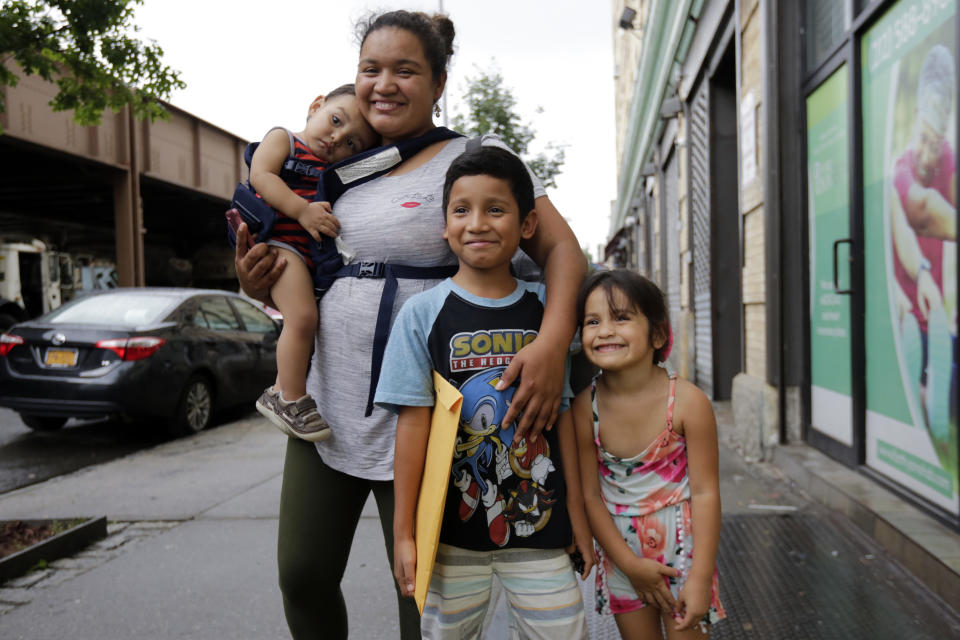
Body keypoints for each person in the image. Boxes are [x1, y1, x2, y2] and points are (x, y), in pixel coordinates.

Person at [233, 10, 586, 639]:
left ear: (439, 81)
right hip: (330, 401)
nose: (384, 84)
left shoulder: (477, 156)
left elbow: (562, 251)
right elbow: (299, 252)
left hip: (429, 410)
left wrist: (554, 342)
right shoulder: (339, 162)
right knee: (303, 574)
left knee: (418, 590)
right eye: (371, 69)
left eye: (405, 69)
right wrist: (256, 278)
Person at [374, 147, 593, 638]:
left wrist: (579, 523)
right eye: (461, 210)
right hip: (452, 543)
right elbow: (412, 429)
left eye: (496, 209)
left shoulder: (549, 315)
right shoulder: (421, 315)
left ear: (528, 224)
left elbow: (569, 427)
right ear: (444, 225)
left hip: (543, 537)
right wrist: (404, 534)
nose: (478, 223)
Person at [572, 269, 725, 638]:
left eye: (621, 317)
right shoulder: (583, 408)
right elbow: (589, 495)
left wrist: (701, 577)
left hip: (684, 557)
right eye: (593, 321)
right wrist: (628, 564)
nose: (605, 330)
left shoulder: (688, 403)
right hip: (622, 559)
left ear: (658, 333)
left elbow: (706, 492)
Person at [248, 84, 378, 441]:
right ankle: (288, 398)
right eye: (335, 120)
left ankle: (282, 387)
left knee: (310, 322)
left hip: (308, 255)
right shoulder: (284, 140)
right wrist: (303, 211)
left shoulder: (332, 172)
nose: (337, 138)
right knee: (302, 318)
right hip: (280, 243)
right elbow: (260, 176)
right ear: (315, 105)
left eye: (352, 143)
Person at [890, 44, 957, 440]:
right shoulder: (900, 172)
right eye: (925, 140)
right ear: (915, 120)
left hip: (936, 311)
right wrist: (924, 279)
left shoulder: (947, 157)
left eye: (938, 143)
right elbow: (924, 210)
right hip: (906, 311)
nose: (929, 154)